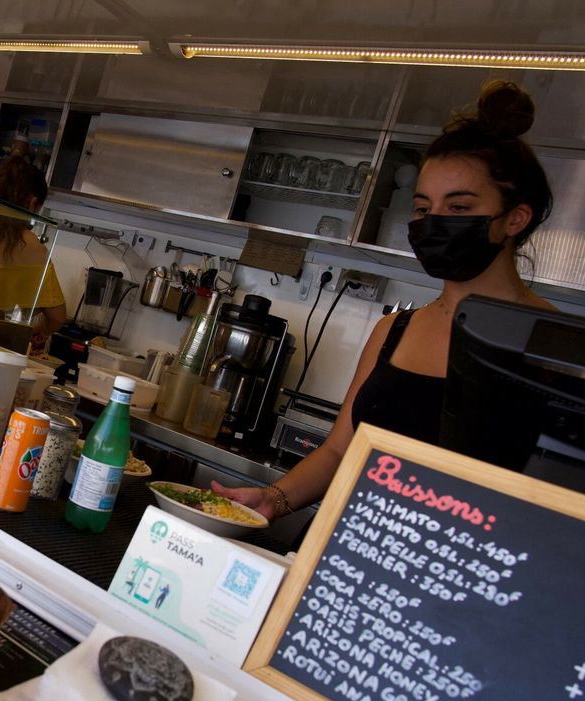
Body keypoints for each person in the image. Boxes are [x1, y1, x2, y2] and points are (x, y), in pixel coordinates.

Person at [214, 80, 556, 523]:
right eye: (423, 208)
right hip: (354, 547)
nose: (433, 223)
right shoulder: (394, 331)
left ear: (515, 218)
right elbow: (341, 449)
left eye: (458, 208)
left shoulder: (556, 347)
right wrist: (273, 499)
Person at [0, 154, 67, 351]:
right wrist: (40, 332)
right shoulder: (34, 247)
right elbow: (57, 317)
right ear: (32, 203)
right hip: (4, 348)